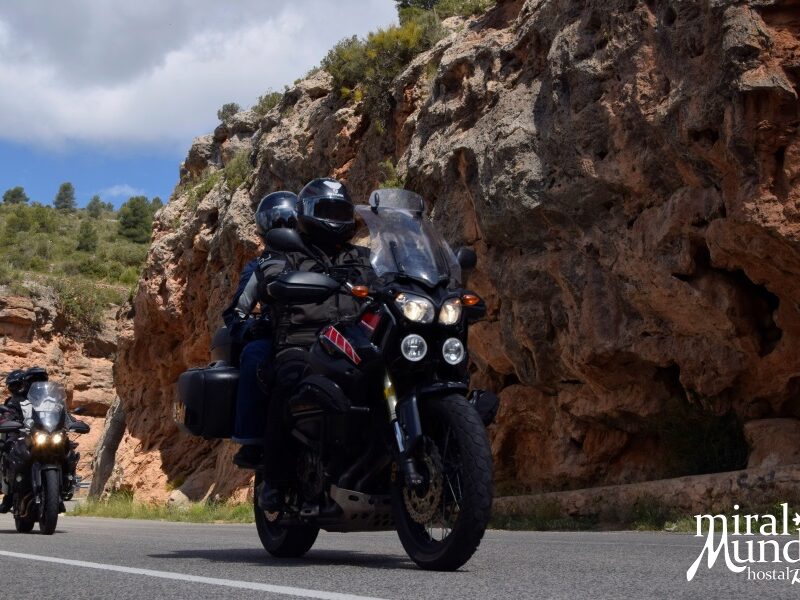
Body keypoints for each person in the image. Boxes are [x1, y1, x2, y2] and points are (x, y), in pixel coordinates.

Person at [256, 178, 375, 511]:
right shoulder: (286, 251)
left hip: (356, 339)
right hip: (301, 340)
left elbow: (392, 279)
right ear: (306, 213)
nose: (335, 218)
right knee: (289, 385)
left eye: (341, 210)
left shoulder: (365, 257)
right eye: (327, 210)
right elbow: (272, 279)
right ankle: (275, 482)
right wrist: (282, 283)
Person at [222, 191, 298, 468]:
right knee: (254, 354)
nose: (283, 226)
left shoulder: (322, 258)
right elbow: (236, 313)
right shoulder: (261, 266)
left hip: (322, 334)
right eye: (277, 221)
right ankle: (251, 439)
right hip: (279, 337)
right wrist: (250, 330)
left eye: (288, 220)